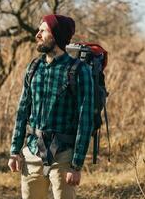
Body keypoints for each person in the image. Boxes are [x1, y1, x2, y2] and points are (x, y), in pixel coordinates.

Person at [8, 14, 94, 199]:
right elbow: (22, 111)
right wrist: (15, 151)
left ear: (56, 35)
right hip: (31, 153)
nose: (37, 35)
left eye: (43, 31)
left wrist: (76, 165)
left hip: (63, 157)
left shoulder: (79, 71)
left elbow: (85, 121)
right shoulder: (34, 67)